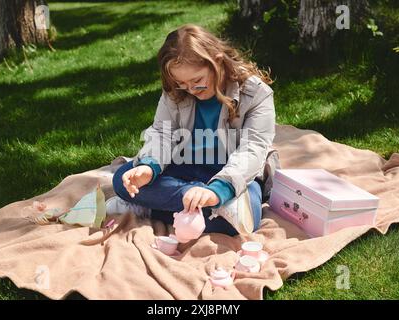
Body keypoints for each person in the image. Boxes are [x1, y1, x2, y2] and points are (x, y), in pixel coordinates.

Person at [107, 24, 279, 236]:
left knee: (243, 220)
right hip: (183, 167)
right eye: (181, 83)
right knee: (123, 180)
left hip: (231, 173)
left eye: (197, 81)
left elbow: (252, 150)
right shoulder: (175, 90)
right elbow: (163, 133)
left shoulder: (256, 94)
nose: (190, 90)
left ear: (217, 61)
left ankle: (152, 207)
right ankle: (194, 202)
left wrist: (218, 191)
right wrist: (149, 167)